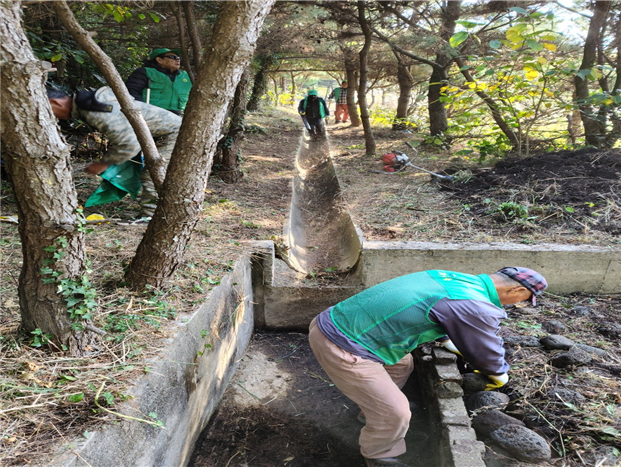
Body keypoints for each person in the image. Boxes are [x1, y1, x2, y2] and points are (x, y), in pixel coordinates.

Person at [308, 267, 548, 467]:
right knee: (397, 412)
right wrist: (499, 375)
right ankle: (380, 456)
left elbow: (425, 308)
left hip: (338, 322)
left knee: (402, 365)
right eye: (525, 299)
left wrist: (446, 340)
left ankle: (370, 411)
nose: (521, 304)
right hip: (342, 345)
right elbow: (485, 350)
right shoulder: (473, 303)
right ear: (517, 290)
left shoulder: (450, 277)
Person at [47, 86, 181, 223]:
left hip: (174, 134)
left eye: (48, 111)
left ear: (55, 102)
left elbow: (129, 145)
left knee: (153, 172)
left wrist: (103, 163)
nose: (50, 117)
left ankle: (150, 216)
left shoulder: (95, 110)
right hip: (165, 132)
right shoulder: (90, 103)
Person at [125, 48, 192, 116]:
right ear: (159, 60)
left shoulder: (186, 76)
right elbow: (132, 92)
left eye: (178, 57)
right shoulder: (145, 72)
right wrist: (141, 110)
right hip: (151, 114)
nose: (177, 60)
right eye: (173, 57)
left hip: (179, 116)